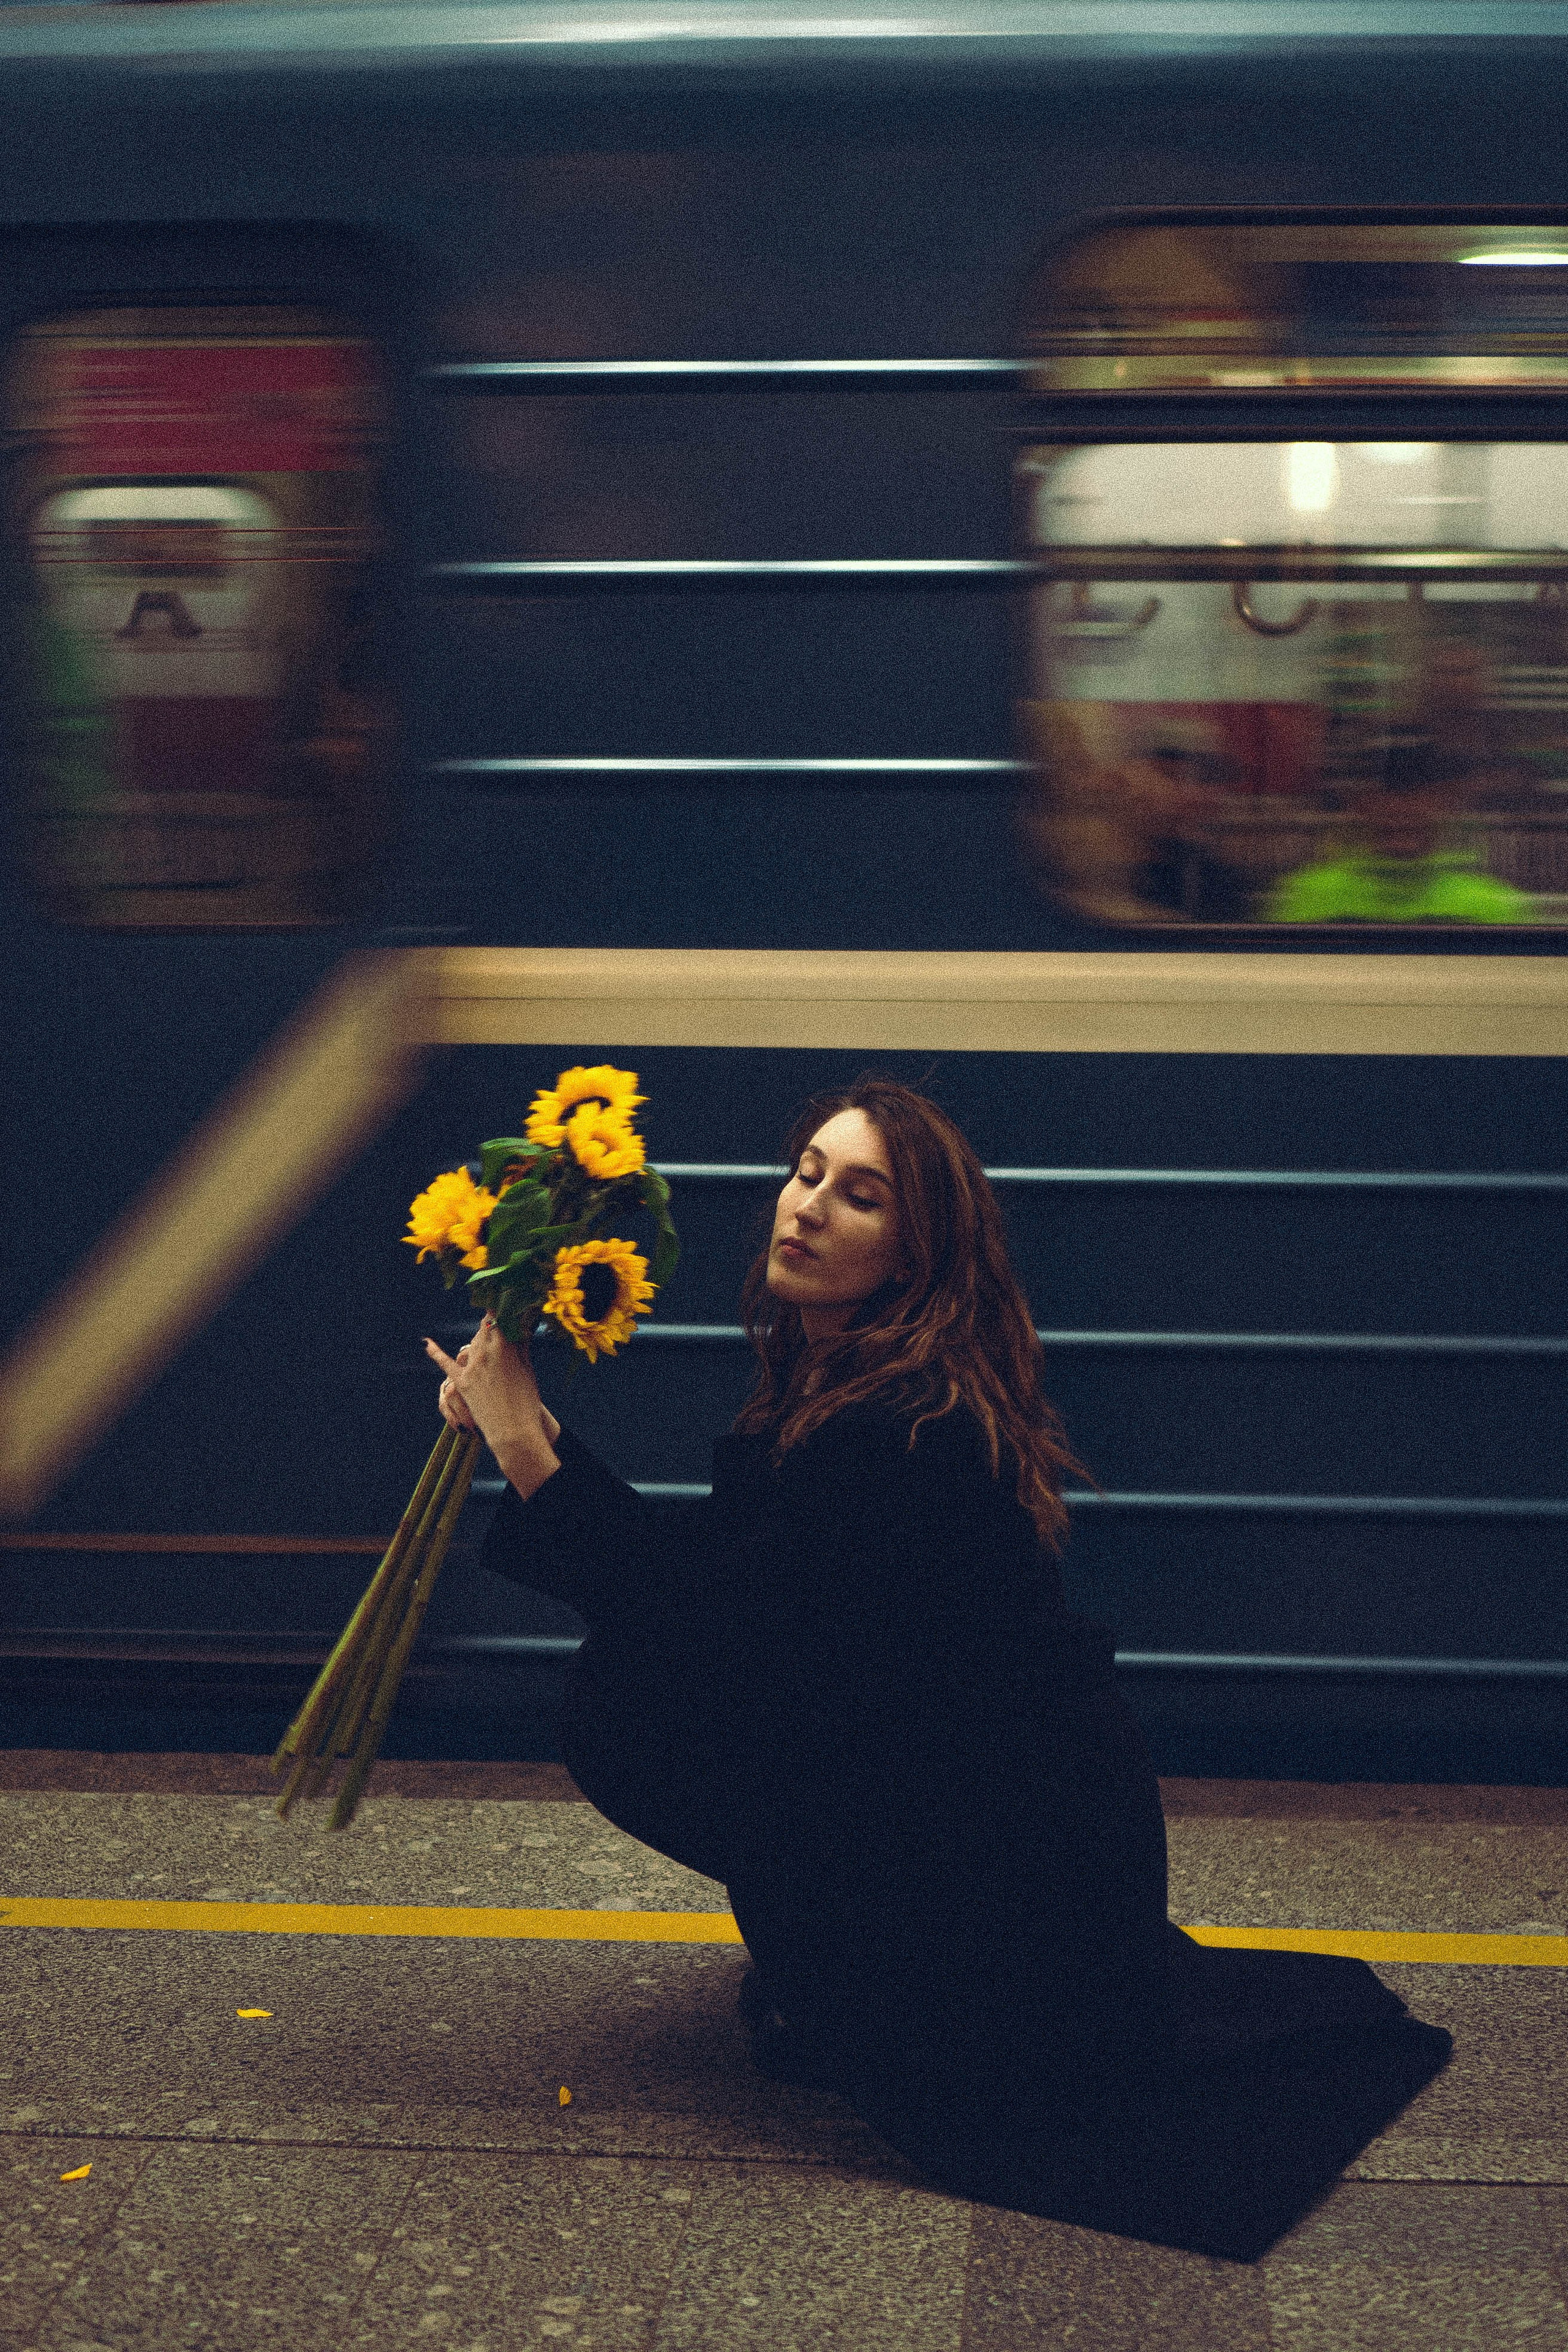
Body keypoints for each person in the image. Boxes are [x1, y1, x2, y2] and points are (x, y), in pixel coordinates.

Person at [424, 1079, 1451, 2262]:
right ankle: (848, 1965)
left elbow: (716, 1629)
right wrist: (539, 1437)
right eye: (806, 1172)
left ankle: (875, 1982)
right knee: (642, 1677)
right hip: (987, 1821)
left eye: (859, 1197)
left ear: (918, 1251)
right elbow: (728, 1583)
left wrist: (520, 1444)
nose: (806, 1210)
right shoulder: (845, 1376)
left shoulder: (900, 1428)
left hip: (1005, 1865)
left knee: (645, 1687)